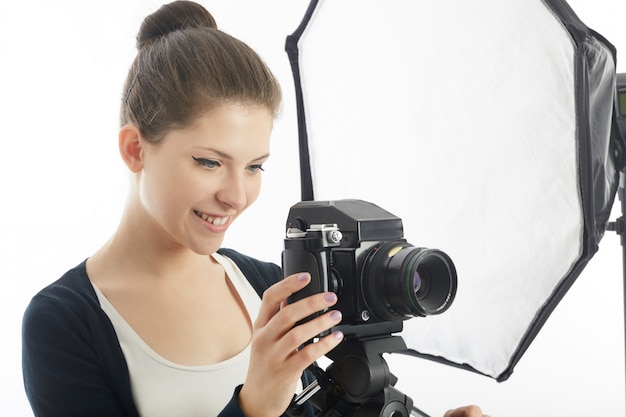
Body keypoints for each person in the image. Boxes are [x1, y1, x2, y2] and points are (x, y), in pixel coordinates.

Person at [21, 1, 490, 416]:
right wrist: (254, 406)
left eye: (255, 167)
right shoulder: (64, 324)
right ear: (135, 149)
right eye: (209, 162)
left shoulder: (272, 289)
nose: (236, 196)